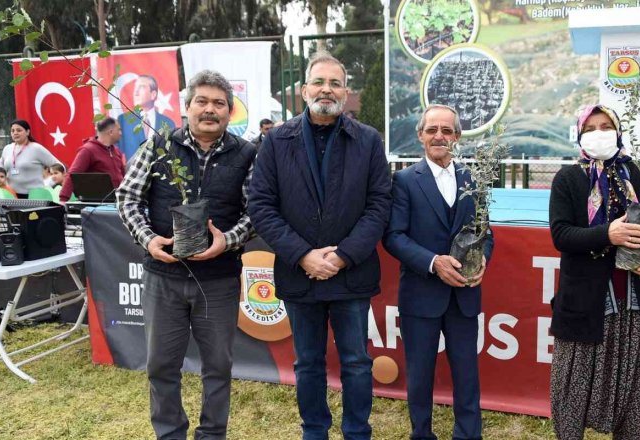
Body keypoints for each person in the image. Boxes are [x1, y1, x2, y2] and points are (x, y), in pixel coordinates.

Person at [248, 51, 392, 440]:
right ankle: (315, 431)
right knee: (308, 363)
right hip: (300, 273)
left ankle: (357, 432)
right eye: (319, 82)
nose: (326, 89)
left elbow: (380, 204)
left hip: (352, 273)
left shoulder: (368, 141)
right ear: (303, 89)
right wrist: (303, 255)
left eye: (334, 83)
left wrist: (344, 255)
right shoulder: (277, 141)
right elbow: (261, 206)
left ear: (345, 92)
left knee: (357, 363)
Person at [116, 69, 257, 440]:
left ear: (230, 112)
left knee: (218, 366)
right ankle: (170, 433)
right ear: (187, 107)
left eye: (219, 104)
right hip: (163, 278)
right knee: (162, 365)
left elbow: (256, 210)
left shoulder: (247, 154)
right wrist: (148, 239)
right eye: (202, 102)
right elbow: (127, 197)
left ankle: (212, 435)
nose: (210, 110)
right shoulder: (159, 145)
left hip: (219, 280)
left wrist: (227, 240)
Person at [547, 104, 640, 439]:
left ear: (618, 131)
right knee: (572, 388)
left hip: (639, 302)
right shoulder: (569, 178)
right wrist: (608, 234)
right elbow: (560, 234)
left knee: (636, 392)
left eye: (605, 126)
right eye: (590, 128)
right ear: (579, 134)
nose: (599, 133)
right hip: (587, 303)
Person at [382, 104, 493, 440]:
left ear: (457, 137)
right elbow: (394, 236)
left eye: (447, 131)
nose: (439, 136)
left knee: (467, 374)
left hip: (464, 294)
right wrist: (433, 262)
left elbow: (486, 232)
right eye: (432, 130)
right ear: (420, 135)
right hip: (420, 296)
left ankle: (468, 434)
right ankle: (422, 434)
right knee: (419, 375)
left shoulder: (474, 180)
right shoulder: (403, 181)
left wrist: (484, 257)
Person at [60, 117, 125, 203]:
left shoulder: (116, 151)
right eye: (119, 130)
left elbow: (124, 177)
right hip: (97, 207)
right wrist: (63, 199)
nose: (121, 133)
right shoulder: (88, 150)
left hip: (118, 204)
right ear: (111, 132)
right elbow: (73, 174)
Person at [0, 119, 63, 198]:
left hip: (35, 196)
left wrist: (50, 181)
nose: (15, 133)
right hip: (12, 195)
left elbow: (59, 166)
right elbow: (0, 170)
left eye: (19, 130)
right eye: (12, 131)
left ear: (27, 132)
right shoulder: (7, 149)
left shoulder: (36, 148)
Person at [117, 74, 177, 159]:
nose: (136, 92)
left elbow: (172, 154)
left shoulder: (168, 123)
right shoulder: (123, 120)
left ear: (153, 94)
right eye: (135, 88)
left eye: (141, 87)